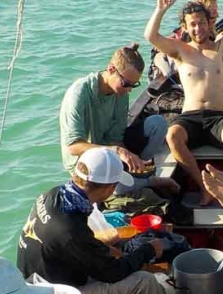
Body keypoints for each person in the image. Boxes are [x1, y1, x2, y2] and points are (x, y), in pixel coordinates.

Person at [16, 148, 200, 294]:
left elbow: (70, 245)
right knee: (144, 285)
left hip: (38, 289)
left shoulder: (53, 196)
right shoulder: (68, 231)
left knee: (117, 251)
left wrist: (110, 246)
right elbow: (114, 273)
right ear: (107, 188)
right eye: (113, 185)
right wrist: (148, 250)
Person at [144, 0, 223, 206]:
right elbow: (150, 36)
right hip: (189, 117)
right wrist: (160, 10)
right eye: (192, 24)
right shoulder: (180, 50)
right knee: (172, 136)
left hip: (218, 117)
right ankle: (205, 188)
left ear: (209, 23)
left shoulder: (222, 48)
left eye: (201, 22)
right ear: (186, 27)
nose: (198, 28)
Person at [59, 43, 178, 196]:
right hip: (84, 159)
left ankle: (138, 171)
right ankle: (148, 181)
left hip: (109, 151)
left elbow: (116, 137)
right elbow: (73, 147)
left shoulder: (121, 94)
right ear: (111, 69)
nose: (128, 90)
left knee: (158, 124)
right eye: (126, 84)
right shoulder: (79, 93)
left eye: (133, 85)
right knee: (118, 189)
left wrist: (128, 158)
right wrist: (117, 151)